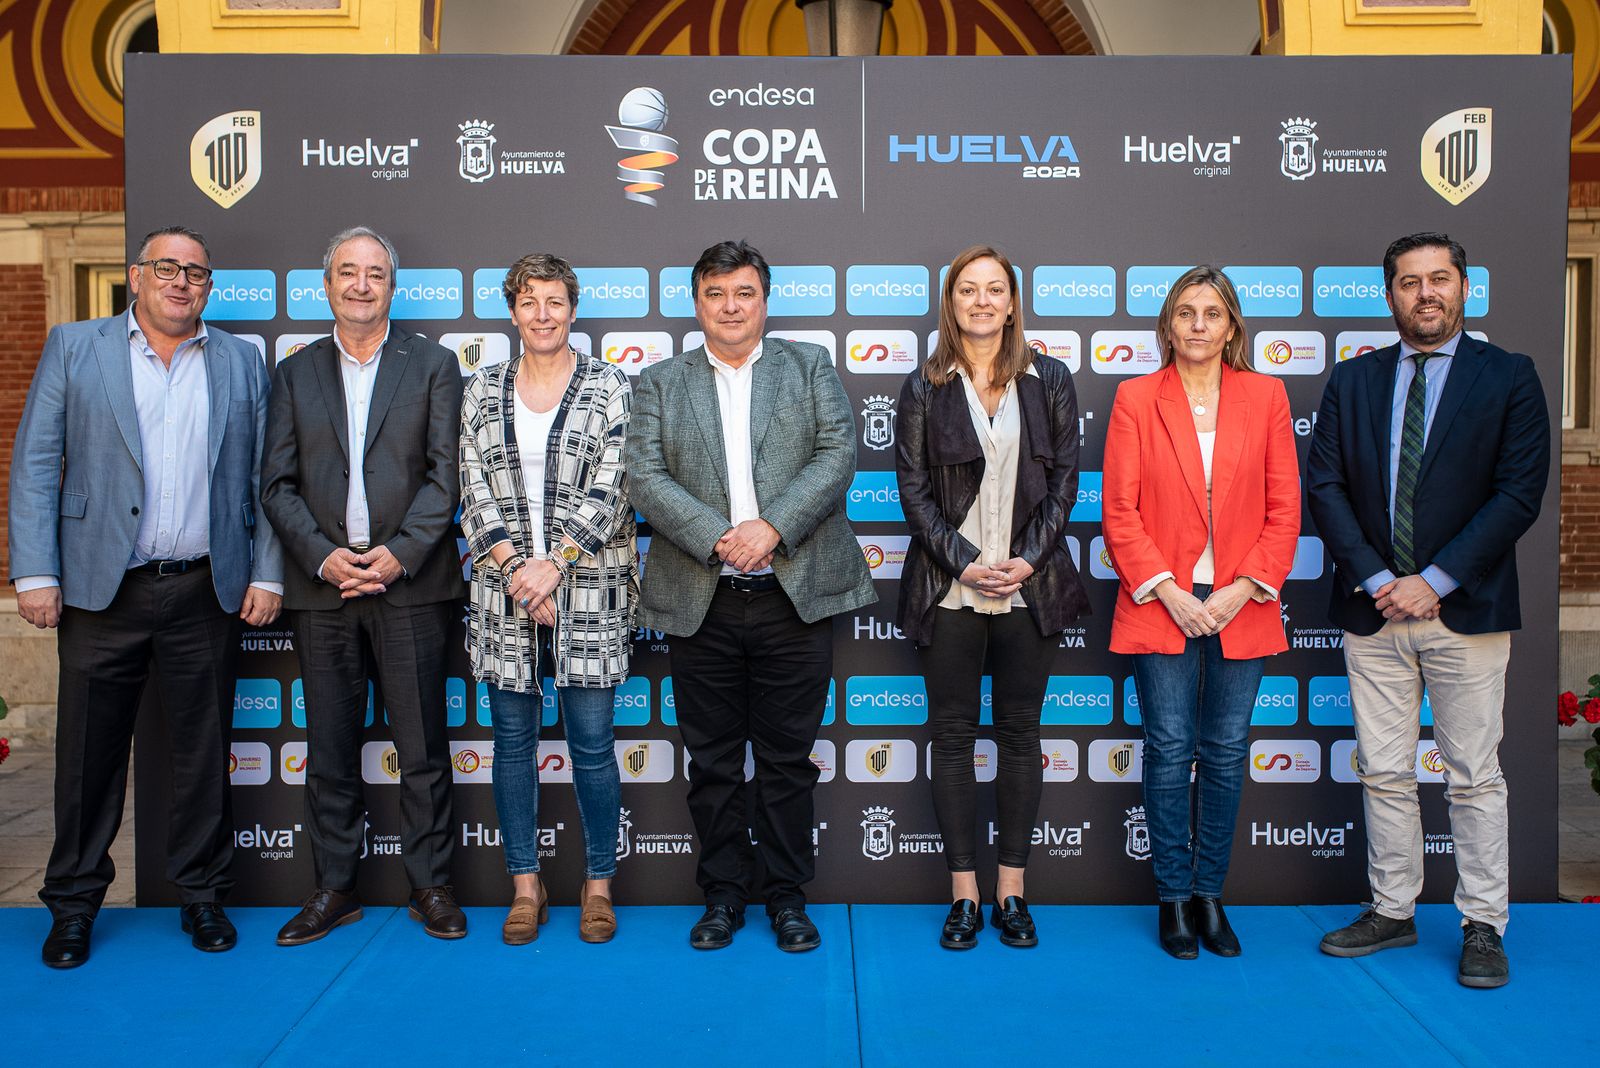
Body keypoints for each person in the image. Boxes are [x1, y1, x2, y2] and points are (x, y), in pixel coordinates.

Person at [8, 226, 284, 967]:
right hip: (103, 592)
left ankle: (201, 894)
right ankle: (72, 906)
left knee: (202, 754)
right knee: (87, 758)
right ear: (136, 276)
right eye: (167, 268)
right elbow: (36, 462)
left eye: (197, 271)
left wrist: (266, 571)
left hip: (205, 587)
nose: (182, 282)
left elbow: (263, 481)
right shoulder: (76, 347)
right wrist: (35, 571)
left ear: (208, 286)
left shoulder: (239, 362)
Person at [1307, 233, 1550, 988]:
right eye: (1409, 282)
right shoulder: (1353, 383)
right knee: (1383, 771)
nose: (1425, 294)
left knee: (1474, 776)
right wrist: (1381, 576)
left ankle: (1483, 924)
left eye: (1438, 279)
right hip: (1374, 609)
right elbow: (1327, 488)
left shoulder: (1509, 376)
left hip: (1465, 611)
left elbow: (1518, 494)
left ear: (1464, 287)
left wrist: (1435, 579)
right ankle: (1393, 908)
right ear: (1390, 296)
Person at [624, 239, 874, 952]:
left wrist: (772, 528)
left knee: (789, 760)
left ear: (764, 301)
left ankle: (787, 897)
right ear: (695, 302)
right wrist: (717, 535)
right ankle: (724, 896)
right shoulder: (661, 383)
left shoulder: (808, 367)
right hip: (702, 597)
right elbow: (644, 477)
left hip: (790, 598)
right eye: (715, 294)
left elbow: (837, 456)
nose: (730, 307)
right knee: (712, 763)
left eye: (744, 293)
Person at [260, 226, 467, 945]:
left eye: (374, 273)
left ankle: (431, 886)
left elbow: (450, 479)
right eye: (347, 272)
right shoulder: (293, 373)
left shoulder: (435, 366)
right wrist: (323, 557)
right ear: (327, 285)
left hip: (410, 587)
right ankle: (335, 888)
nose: (360, 284)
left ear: (391, 285)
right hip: (325, 590)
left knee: (422, 749)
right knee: (330, 748)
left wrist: (398, 553)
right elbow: (276, 484)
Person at [1102, 265, 1300, 959]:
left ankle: (1211, 894)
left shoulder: (1266, 395)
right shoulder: (1136, 398)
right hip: (1166, 606)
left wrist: (1240, 589)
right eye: (1185, 312)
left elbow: (1284, 511)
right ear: (1167, 325)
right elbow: (1119, 512)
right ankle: (1173, 899)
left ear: (1232, 326)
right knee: (1167, 753)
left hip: (1241, 603)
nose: (1197, 325)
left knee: (1223, 753)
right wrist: (1171, 591)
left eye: (1211, 313)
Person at [894, 245, 1089, 950]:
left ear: (1012, 302)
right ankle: (965, 895)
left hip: (1029, 592)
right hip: (951, 590)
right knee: (951, 740)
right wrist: (970, 563)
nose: (981, 301)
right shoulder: (924, 386)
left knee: (1019, 738)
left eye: (994, 290)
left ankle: (1011, 891)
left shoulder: (1052, 380)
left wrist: (1027, 561)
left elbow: (1066, 482)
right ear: (951, 304)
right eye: (967, 290)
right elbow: (913, 494)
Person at [459, 253, 635, 945]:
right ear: (511, 311)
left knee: (591, 745)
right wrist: (516, 570)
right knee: (511, 745)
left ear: (572, 308)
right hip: (503, 593)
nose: (542, 314)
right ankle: (525, 884)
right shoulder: (480, 390)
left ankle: (597, 884)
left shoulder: (611, 385)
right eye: (528, 301)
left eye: (555, 301)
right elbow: (472, 489)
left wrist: (553, 567)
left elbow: (616, 488)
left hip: (588, 591)